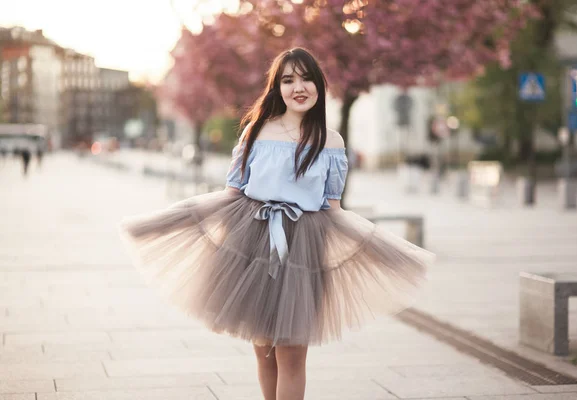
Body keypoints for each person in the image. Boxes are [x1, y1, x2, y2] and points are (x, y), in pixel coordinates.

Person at [120, 47, 434, 400]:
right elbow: (231, 194)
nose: (298, 87)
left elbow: (334, 209)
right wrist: (168, 221)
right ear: (277, 88)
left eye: (305, 78)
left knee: (291, 353)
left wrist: (385, 249)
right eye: (288, 80)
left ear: (318, 85)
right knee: (263, 348)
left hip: (304, 253)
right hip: (251, 248)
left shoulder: (331, 142)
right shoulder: (256, 132)